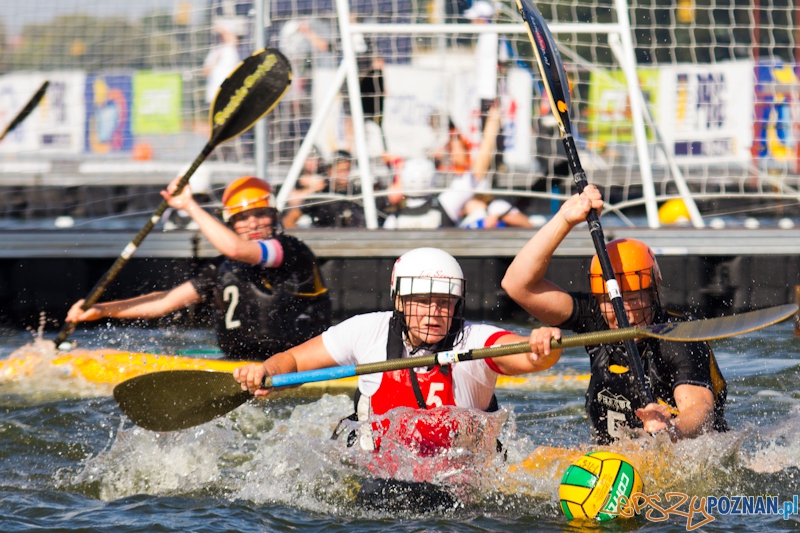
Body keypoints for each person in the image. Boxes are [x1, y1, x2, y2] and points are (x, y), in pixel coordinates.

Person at [233, 247, 562, 505]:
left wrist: (543, 346)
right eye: (421, 301)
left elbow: (529, 356)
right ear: (400, 301)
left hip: (458, 486)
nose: (433, 313)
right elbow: (291, 361)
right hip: (377, 478)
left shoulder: (473, 341)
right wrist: (266, 372)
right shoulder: (366, 330)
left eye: (445, 303)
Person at [502, 185, 728, 444]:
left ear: (653, 294)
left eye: (633, 299)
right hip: (613, 457)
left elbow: (700, 410)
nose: (623, 314)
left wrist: (671, 430)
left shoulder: (678, 336)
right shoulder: (595, 319)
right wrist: (564, 219)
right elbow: (518, 285)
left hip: (682, 455)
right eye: (611, 302)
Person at [66, 176, 331, 360]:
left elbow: (238, 249)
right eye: (242, 218)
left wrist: (188, 205)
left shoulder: (290, 250)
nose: (252, 224)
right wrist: (102, 310)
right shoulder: (222, 267)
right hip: (239, 363)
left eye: (260, 214)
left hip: (298, 362)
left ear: (274, 216)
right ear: (231, 223)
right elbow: (164, 302)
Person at [282, 150, 370, 228]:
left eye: (349, 170)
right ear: (330, 171)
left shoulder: (355, 193)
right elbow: (289, 220)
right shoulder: (321, 195)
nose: (346, 174)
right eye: (342, 170)